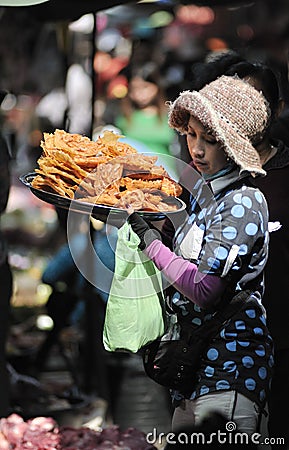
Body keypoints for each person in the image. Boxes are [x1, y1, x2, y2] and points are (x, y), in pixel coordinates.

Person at [126, 75, 274, 436]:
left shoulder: (242, 202)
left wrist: (149, 240)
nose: (198, 149)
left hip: (230, 368)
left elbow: (205, 289)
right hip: (193, 368)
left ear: (235, 147)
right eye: (191, 134)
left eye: (210, 140)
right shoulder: (200, 196)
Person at [187, 52, 289, 447]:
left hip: (257, 344)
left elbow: (205, 286)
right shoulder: (209, 177)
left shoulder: (253, 193)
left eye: (252, 102)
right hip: (212, 352)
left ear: (275, 110)